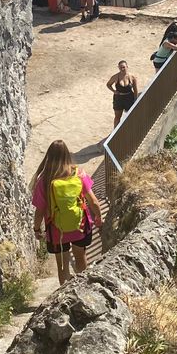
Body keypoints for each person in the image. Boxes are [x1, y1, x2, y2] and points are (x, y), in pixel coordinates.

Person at [31, 140, 102, 286]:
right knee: (80, 257)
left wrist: (37, 229)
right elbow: (93, 201)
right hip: (79, 226)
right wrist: (99, 217)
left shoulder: (44, 181)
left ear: (49, 157)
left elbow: (39, 212)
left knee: (62, 265)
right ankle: (83, 287)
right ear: (67, 155)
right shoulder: (79, 174)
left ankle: (64, 294)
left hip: (56, 230)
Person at [106, 60, 139, 126]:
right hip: (119, 99)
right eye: (120, 67)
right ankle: (115, 133)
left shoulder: (132, 77)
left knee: (131, 116)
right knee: (117, 117)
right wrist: (114, 91)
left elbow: (135, 90)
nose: (122, 69)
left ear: (127, 67)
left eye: (123, 67)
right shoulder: (115, 77)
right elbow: (108, 84)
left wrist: (135, 100)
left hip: (129, 98)